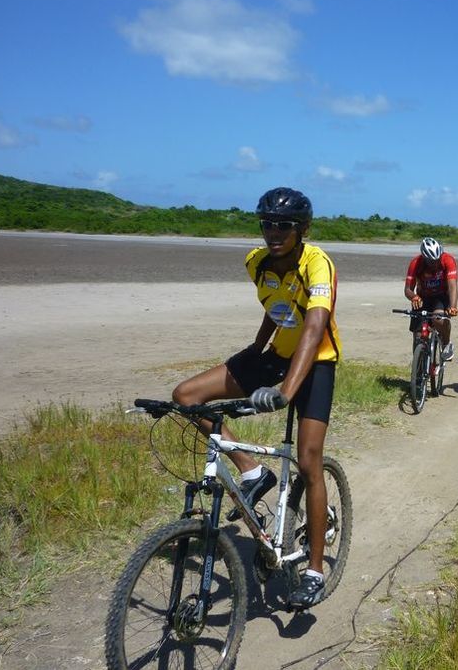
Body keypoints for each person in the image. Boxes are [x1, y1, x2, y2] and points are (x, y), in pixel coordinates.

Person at [171, 186, 340, 609]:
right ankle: (251, 471)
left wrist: (286, 391)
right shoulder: (256, 262)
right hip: (275, 356)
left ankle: (315, 571)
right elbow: (277, 305)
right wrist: (257, 348)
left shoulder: (316, 263)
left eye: (284, 225)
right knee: (186, 396)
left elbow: (315, 325)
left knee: (308, 462)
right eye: (267, 223)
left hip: (316, 364)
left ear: (303, 228)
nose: (274, 231)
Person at [403, 236, 458, 360]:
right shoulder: (415, 263)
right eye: (430, 261)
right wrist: (414, 297)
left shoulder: (448, 260)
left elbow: (452, 287)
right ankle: (418, 369)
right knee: (418, 335)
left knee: (438, 319)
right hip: (422, 298)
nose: (434, 264)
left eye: (437, 260)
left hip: (441, 297)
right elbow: (407, 289)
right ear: (424, 257)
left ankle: (446, 343)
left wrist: (453, 306)